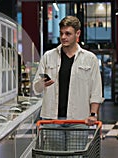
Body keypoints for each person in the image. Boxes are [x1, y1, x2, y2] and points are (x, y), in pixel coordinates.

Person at [32, 16, 104, 152]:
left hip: (78, 120)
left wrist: (93, 114)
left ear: (78, 34)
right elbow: (36, 88)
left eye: (68, 33)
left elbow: (96, 90)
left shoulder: (90, 59)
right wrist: (43, 83)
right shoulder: (48, 56)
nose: (63, 37)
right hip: (51, 120)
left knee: (75, 155)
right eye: (61, 33)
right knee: (55, 155)